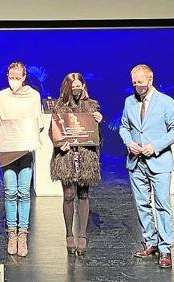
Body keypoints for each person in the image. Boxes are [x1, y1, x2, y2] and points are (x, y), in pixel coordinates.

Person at [119, 64, 174, 268]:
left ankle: (165, 249)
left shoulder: (165, 102)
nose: (137, 86)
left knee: (162, 205)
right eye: (134, 83)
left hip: (159, 162)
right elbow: (124, 127)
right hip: (136, 162)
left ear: (150, 78)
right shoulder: (129, 102)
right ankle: (151, 242)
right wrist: (129, 142)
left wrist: (154, 146)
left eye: (140, 82)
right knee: (142, 205)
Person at [0, 62, 43, 257]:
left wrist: (31, 135)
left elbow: (38, 123)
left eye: (17, 77)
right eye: (11, 77)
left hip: (26, 150)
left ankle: (23, 234)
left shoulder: (34, 96)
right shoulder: (0, 97)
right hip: (7, 150)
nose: (14, 81)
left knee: (24, 192)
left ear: (24, 76)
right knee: (10, 191)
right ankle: (12, 233)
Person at [49, 73, 102, 256]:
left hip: (85, 156)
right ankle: (69, 234)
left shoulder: (92, 106)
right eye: (73, 87)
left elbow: (97, 137)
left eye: (79, 86)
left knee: (83, 194)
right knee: (69, 195)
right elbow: (53, 132)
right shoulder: (59, 107)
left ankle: (83, 235)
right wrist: (59, 142)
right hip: (67, 156)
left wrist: (98, 123)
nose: (76, 90)